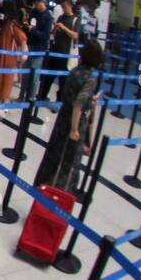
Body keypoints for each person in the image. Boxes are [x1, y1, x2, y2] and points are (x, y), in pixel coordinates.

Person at [33, 39, 102, 191]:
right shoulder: (90, 78)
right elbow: (79, 104)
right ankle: (58, 198)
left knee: (53, 156)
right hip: (74, 123)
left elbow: (69, 96)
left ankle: (41, 187)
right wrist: (75, 128)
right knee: (69, 164)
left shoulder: (74, 71)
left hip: (62, 118)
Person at [39, 0, 80, 101]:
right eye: (62, 7)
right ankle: (42, 96)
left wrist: (64, 28)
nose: (63, 9)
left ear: (70, 6)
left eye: (65, 6)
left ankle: (59, 101)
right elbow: (54, 33)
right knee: (48, 77)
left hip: (66, 55)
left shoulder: (75, 20)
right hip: (55, 51)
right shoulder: (61, 17)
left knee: (63, 81)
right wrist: (55, 29)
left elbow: (75, 35)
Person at [0, 0, 28, 106]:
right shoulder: (8, 21)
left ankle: (3, 101)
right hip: (3, 53)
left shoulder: (13, 23)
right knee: (0, 78)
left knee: (6, 79)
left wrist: (23, 54)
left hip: (9, 56)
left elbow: (22, 39)